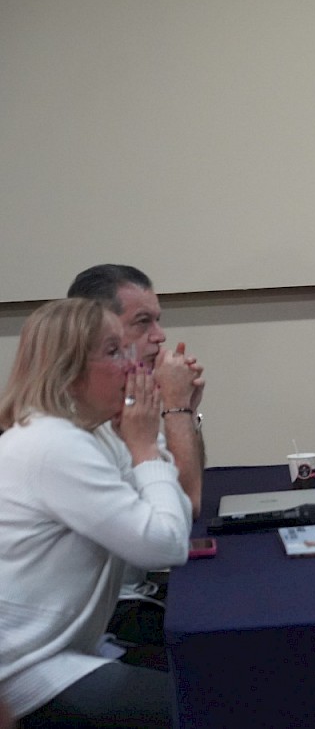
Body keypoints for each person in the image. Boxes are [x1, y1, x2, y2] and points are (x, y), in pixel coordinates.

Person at [0, 298, 194, 728]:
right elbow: (165, 545)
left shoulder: (93, 435)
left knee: (211, 682)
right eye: (113, 352)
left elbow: (175, 512)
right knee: (205, 706)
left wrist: (145, 444)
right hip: (25, 675)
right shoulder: (52, 444)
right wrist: (146, 447)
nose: (132, 365)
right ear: (68, 372)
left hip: (63, 652)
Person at [68, 264, 206, 671]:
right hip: (106, 616)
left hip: (132, 593)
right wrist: (176, 408)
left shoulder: (126, 401)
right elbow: (188, 506)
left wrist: (186, 411)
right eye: (143, 322)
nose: (159, 336)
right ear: (98, 333)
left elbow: (181, 492)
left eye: (158, 321)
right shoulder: (75, 425)